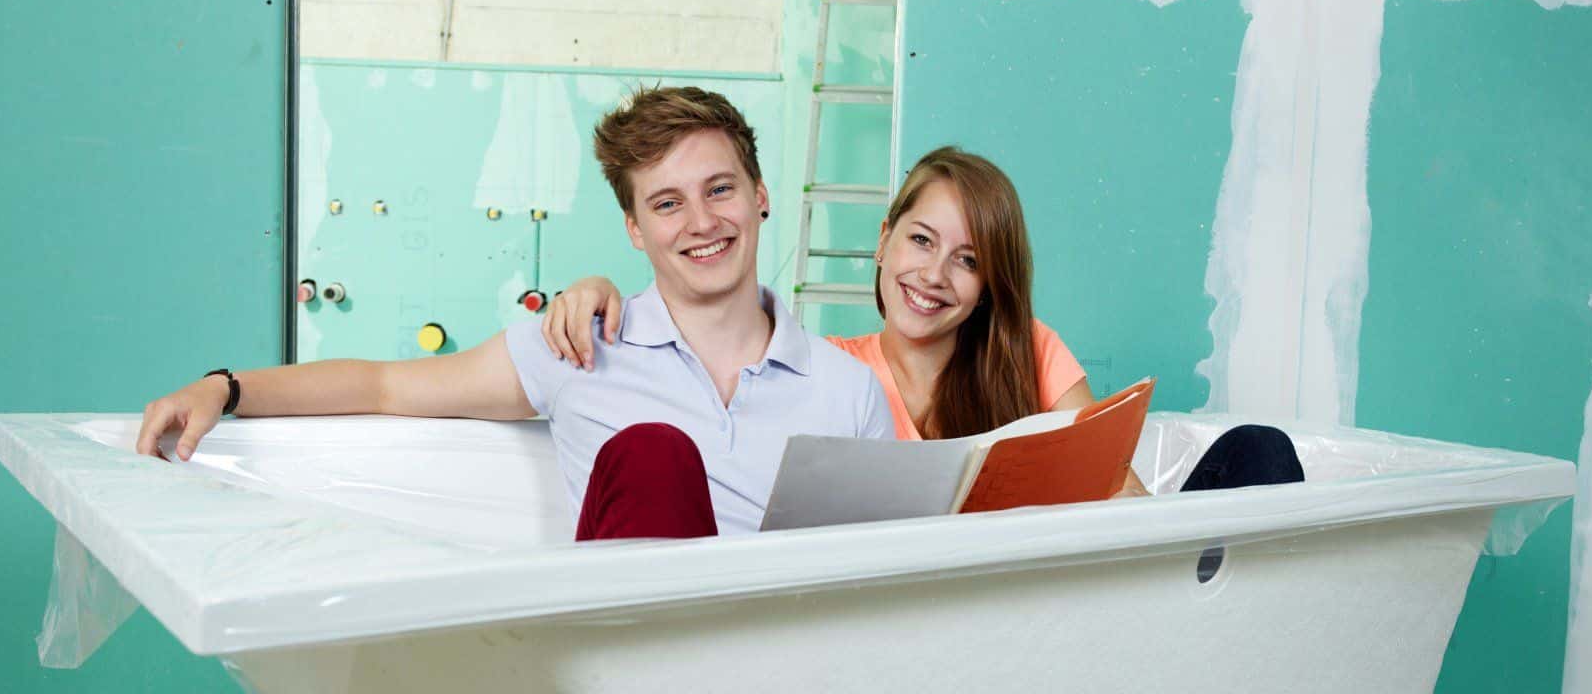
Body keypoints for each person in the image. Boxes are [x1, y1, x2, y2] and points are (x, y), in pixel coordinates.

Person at [135, 86, 894, 540]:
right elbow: (384, 386)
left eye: (720, 189)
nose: (702, 221)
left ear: (760, 196)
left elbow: (882, 582)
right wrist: (226, 388)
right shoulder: (579, 345)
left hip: (789, 661)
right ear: (636, 230)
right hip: (637, 655)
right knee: (654, 452)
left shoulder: (846, 390)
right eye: (668, 203)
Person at [545, 146, 1304, 496]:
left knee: (1260, 452)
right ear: (882, 242)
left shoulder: (1031, 353)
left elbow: (1126, 509)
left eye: (968, 261)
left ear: (989, 285)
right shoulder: (829, 375)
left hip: (1070, 594)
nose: (934, 277)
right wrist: (601, 289)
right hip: (942, 632)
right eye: (920, 241)